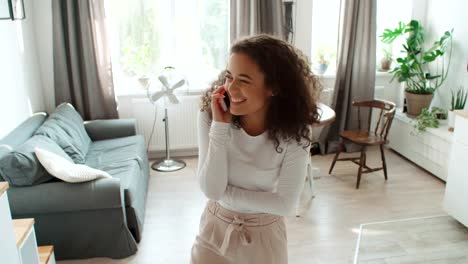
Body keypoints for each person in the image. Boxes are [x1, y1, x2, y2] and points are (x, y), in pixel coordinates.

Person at [191, 34, 321, 264]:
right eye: (229, 77)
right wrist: (220, 127)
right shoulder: (210, 114)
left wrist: (226, 194)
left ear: (273, 87)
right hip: (214, 230)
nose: (231, 88)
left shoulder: (294, 131)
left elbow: (286, 204)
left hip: (264, 236)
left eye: (244, 80)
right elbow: (212, 189)